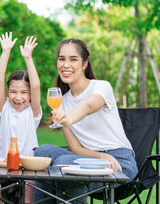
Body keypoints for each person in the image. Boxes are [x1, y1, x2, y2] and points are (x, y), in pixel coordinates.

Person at [34, 38, 138, 203]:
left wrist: (68, 118)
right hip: (92, 159)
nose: (65, 65)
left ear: (84, 64)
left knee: (64, 164)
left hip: (119, 162)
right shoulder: (63, 100)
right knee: (42, 151)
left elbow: (89, 105)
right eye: (62, 59)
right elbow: (75, 148)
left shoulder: (101, 87)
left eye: (73, 59)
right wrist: (100, 157)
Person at [0, 32, 42, 204]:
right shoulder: (6, 107)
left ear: (31, 95)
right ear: (8, 92)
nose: (18, 97)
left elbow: (37, 85)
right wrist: (6, 52)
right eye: (14, 92)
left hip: (28, 165)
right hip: (3, 162)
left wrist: (28, 58)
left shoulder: (33, 112)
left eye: (24, 92)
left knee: (32, 183)